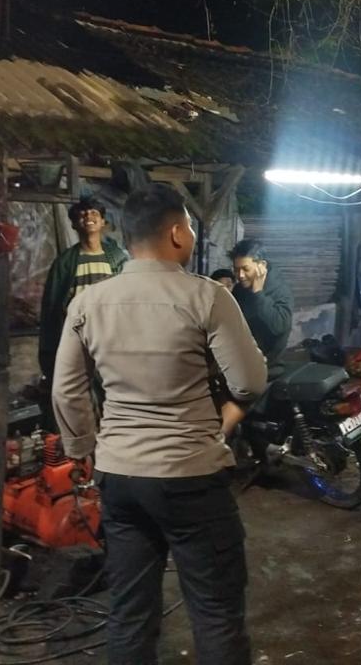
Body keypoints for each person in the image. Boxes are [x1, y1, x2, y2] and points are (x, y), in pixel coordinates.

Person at [53, 184, 266, 665]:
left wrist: (82, 448)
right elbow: (250, 381)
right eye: (189, 225)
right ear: (175, 233)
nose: (190, 233)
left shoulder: (88, 302)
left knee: (129, 612)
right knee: (215, 613)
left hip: (120, 477)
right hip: (191, 475)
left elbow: (66, 389)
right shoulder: (206, 296)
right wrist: (224, 417)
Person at [37, 196, 128, 386]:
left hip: (111, 338)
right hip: (78, 339)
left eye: (94, 213)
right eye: (83, 214)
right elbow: (52, 308)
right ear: (73, 224)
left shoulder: (117, 258)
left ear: (103, 222)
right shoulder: (65, 263)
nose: (88, 217)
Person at [230, 239, 295, 380]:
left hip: (268, 370)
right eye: (236, 269)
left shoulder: (280, 290)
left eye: (246, 269)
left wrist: (258, 293)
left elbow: (279, 326)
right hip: (240, 365)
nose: (240, 275)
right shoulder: (240, 289)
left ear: (262, 265)